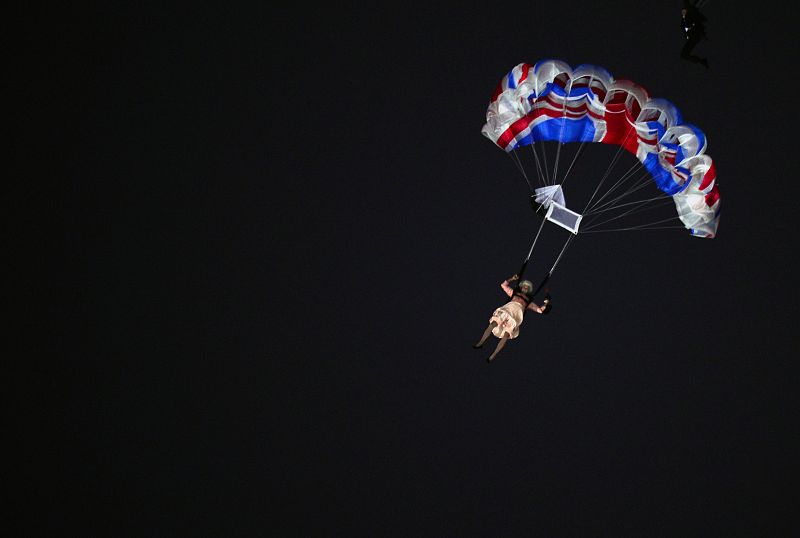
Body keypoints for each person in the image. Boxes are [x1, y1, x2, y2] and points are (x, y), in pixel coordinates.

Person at [473, 275, 551, 363]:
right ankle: (481, 342)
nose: (525, 288)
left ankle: (493, 355)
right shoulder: (513, 292)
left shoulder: (528, 302)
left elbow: (540, 310)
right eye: (524, 286)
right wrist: (512, 279)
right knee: (493, 324)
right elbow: (503, 285)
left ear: (528, 290)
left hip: (516, 316)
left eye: (527, 287)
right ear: (521, 287)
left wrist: (546, 302)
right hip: (507, 310)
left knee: (506, 335)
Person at [680, 0, 709, 68]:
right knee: (684, 55)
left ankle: (702, 61)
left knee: (684, 54)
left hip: (695, 35)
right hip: (694, 35)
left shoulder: (691, 12)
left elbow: (697, 22)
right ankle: (701, 61)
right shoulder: (689, 13)